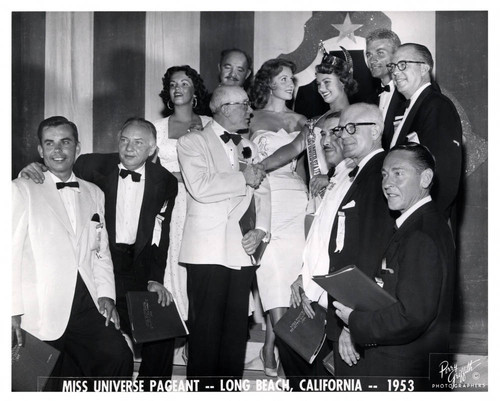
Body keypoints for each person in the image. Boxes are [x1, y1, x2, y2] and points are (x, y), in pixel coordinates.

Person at [12, 116, 133, 390]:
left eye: (65, 142)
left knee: (118, 357)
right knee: (42, 383)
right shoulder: (21, 189)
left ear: (77, 148)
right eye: (50, 143)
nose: (58, 150)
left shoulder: (94, 193)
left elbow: (101, 252)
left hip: (85, 302)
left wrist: (106, 295)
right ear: (40, 151)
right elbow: (7, 255)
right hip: (40, 308)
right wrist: (11, 312)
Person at [333, 143, 456, 377]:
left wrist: (355, 321)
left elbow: (412, 316)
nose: (387, 183)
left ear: (425, 178)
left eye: (398, 173)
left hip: (400, 368)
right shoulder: (424, 223)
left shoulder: (420, 233)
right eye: (384, 174)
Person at [177, 85, 271, 388]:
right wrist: (242, 177)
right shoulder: (192, 142)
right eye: (243, 104)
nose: (249, 110)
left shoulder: (249, 146)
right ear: (223, 108)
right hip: (206, 251)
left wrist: (261, 230)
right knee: (205, 335)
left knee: (234, 336)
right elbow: (201, 187)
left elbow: (264, 193)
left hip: (241, 250)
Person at [282, 113, 355, 389]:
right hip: (313, 291)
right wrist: (303, 276)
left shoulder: (355, 179)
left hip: (335, 299)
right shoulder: (330, 179)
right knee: (291, 347)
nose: (325, 140)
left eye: (333, 133)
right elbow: (317, 237)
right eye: (321, 134)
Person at [324, 103, 394, 377]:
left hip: (357, 314)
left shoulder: (379, 173)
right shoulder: (360, 172)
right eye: (342, 128)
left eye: (353, 128)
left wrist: (352, 324)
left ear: (376, 130)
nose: (343, 135)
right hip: (346, 308)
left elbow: (372, 250)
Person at [248, 58, 308, 377]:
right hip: (265, 199)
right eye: (283, 78)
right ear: (269, 83)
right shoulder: (251, 117)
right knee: (270, 277)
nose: (290, 83)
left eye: (292, 78)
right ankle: (286, 351)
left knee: (291, 280)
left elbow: (300, 159)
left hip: (295, 200)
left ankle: (274, 345)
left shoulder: (302, 120)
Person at [154, 65, 211, 323]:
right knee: (170, 260)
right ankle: (174, 321)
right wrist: (178, 177)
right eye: (173, 84)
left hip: (202, 203)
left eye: (184, 83)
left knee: (199, 261)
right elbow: (148, 169)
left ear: (195, 90)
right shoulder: (156, 127)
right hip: (168, 203)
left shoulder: (209, 125)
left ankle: (197, 330)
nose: (178, 88)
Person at [259, 46, 357, 194]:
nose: (321, 89)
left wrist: (330, 176)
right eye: (318, 84)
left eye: (327, 82)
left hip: (346, 190)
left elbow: (363, 158)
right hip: (319, 198)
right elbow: (292, 148)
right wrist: (262, 165)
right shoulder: (314, 122)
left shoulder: (358, 117)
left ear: (343, 81)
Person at [387, 43, 462, 222]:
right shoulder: (410, 106)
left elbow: (444, 174)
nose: (395, 72)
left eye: (403, 64)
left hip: (423, 220)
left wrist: (428, 219)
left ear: (424, 68)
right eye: (393, 66)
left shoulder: (437, 105)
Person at [364, 28, 406, 150]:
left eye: (380, 53)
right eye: (369, 54)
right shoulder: (369, 101)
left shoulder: (409, 95)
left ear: (397, 55)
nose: (372, 60)